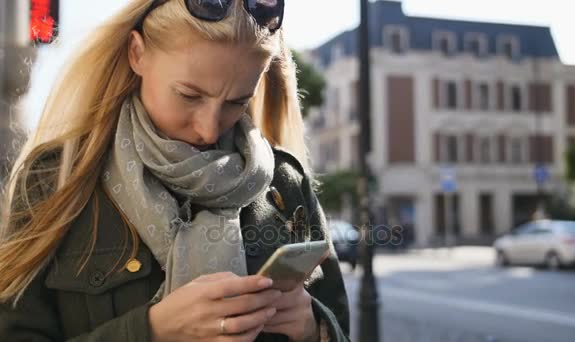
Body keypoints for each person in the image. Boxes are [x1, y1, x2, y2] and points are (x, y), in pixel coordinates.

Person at [0, 1, 350, 341]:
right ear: (137, 54)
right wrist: (150, 330)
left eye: (236, 102)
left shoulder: (286, 183)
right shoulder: (56, 178)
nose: (210, 129)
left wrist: (313, 327)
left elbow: (340, 326)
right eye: (189, 95)